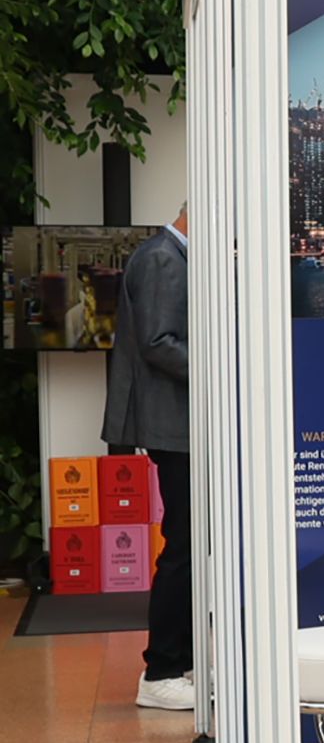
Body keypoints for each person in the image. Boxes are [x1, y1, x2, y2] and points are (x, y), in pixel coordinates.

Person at [104, 204, 193, 710]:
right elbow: (159, 343)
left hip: (177, 425)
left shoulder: (165, 255)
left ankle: (181, 663)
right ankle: (161, 672)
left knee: (189, 546)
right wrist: (223, 367)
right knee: (183, 548)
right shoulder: (163, 258)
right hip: (173, 425)